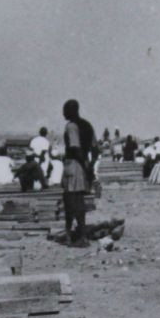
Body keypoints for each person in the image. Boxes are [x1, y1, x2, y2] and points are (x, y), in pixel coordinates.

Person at [60, 99, 97, 246]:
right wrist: (90, 165)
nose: (63, 113)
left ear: (70, 111)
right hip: (83, 166)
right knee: (77, 200)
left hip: (74, 165)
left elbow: (75, 148)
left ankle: (79, 236)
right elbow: (95, 149)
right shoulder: (87, 125)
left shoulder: (71, 126)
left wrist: (85, 165)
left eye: (64, 110)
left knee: (72, 202)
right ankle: (72, 234)